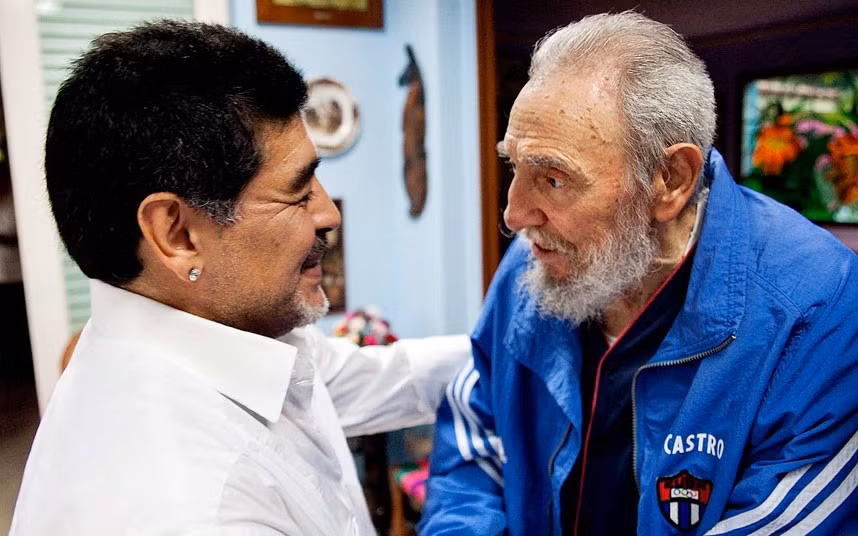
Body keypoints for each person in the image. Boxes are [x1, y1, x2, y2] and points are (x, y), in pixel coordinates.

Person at [11, 21, 469, 535]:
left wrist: (519, 343)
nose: (329, 214)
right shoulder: (195, 508)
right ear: (178, 234)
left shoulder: (231, 334)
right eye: (297, 193)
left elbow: (381, 377)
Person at [420, 11, 858, 536]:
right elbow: (477, 438)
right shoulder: (533, 264)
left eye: (553, 178)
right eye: (515, 167)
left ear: (670, 180)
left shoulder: (817, 306)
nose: (514, 216)